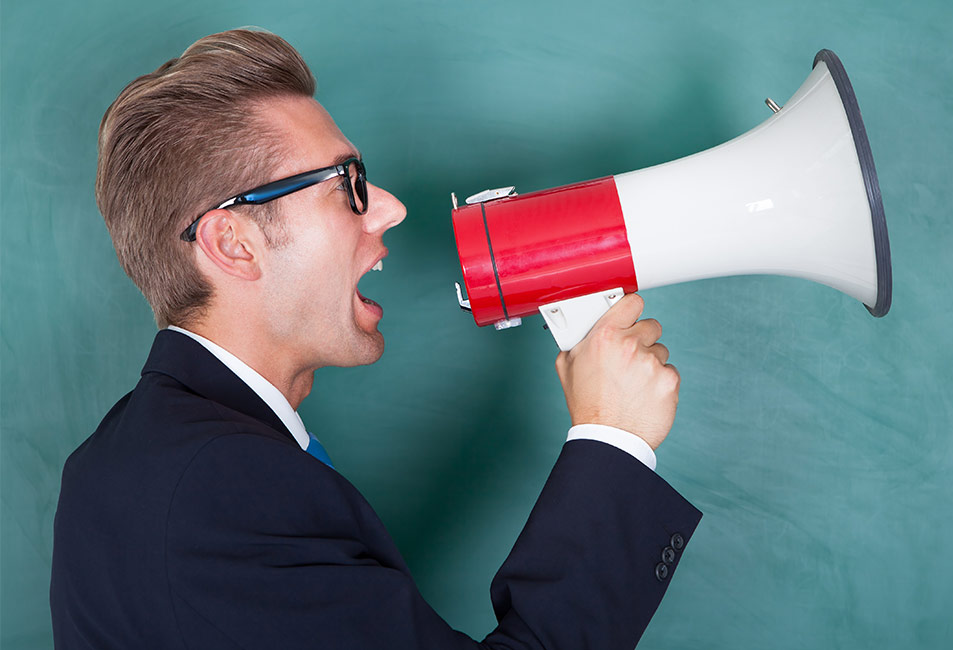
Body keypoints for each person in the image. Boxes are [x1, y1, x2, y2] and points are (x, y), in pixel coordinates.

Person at [49, 29, 701, 649]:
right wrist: (613, 435)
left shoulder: (121, 463)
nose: (389, 208)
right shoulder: (221, 485)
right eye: (347, 186)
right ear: (234, 244)